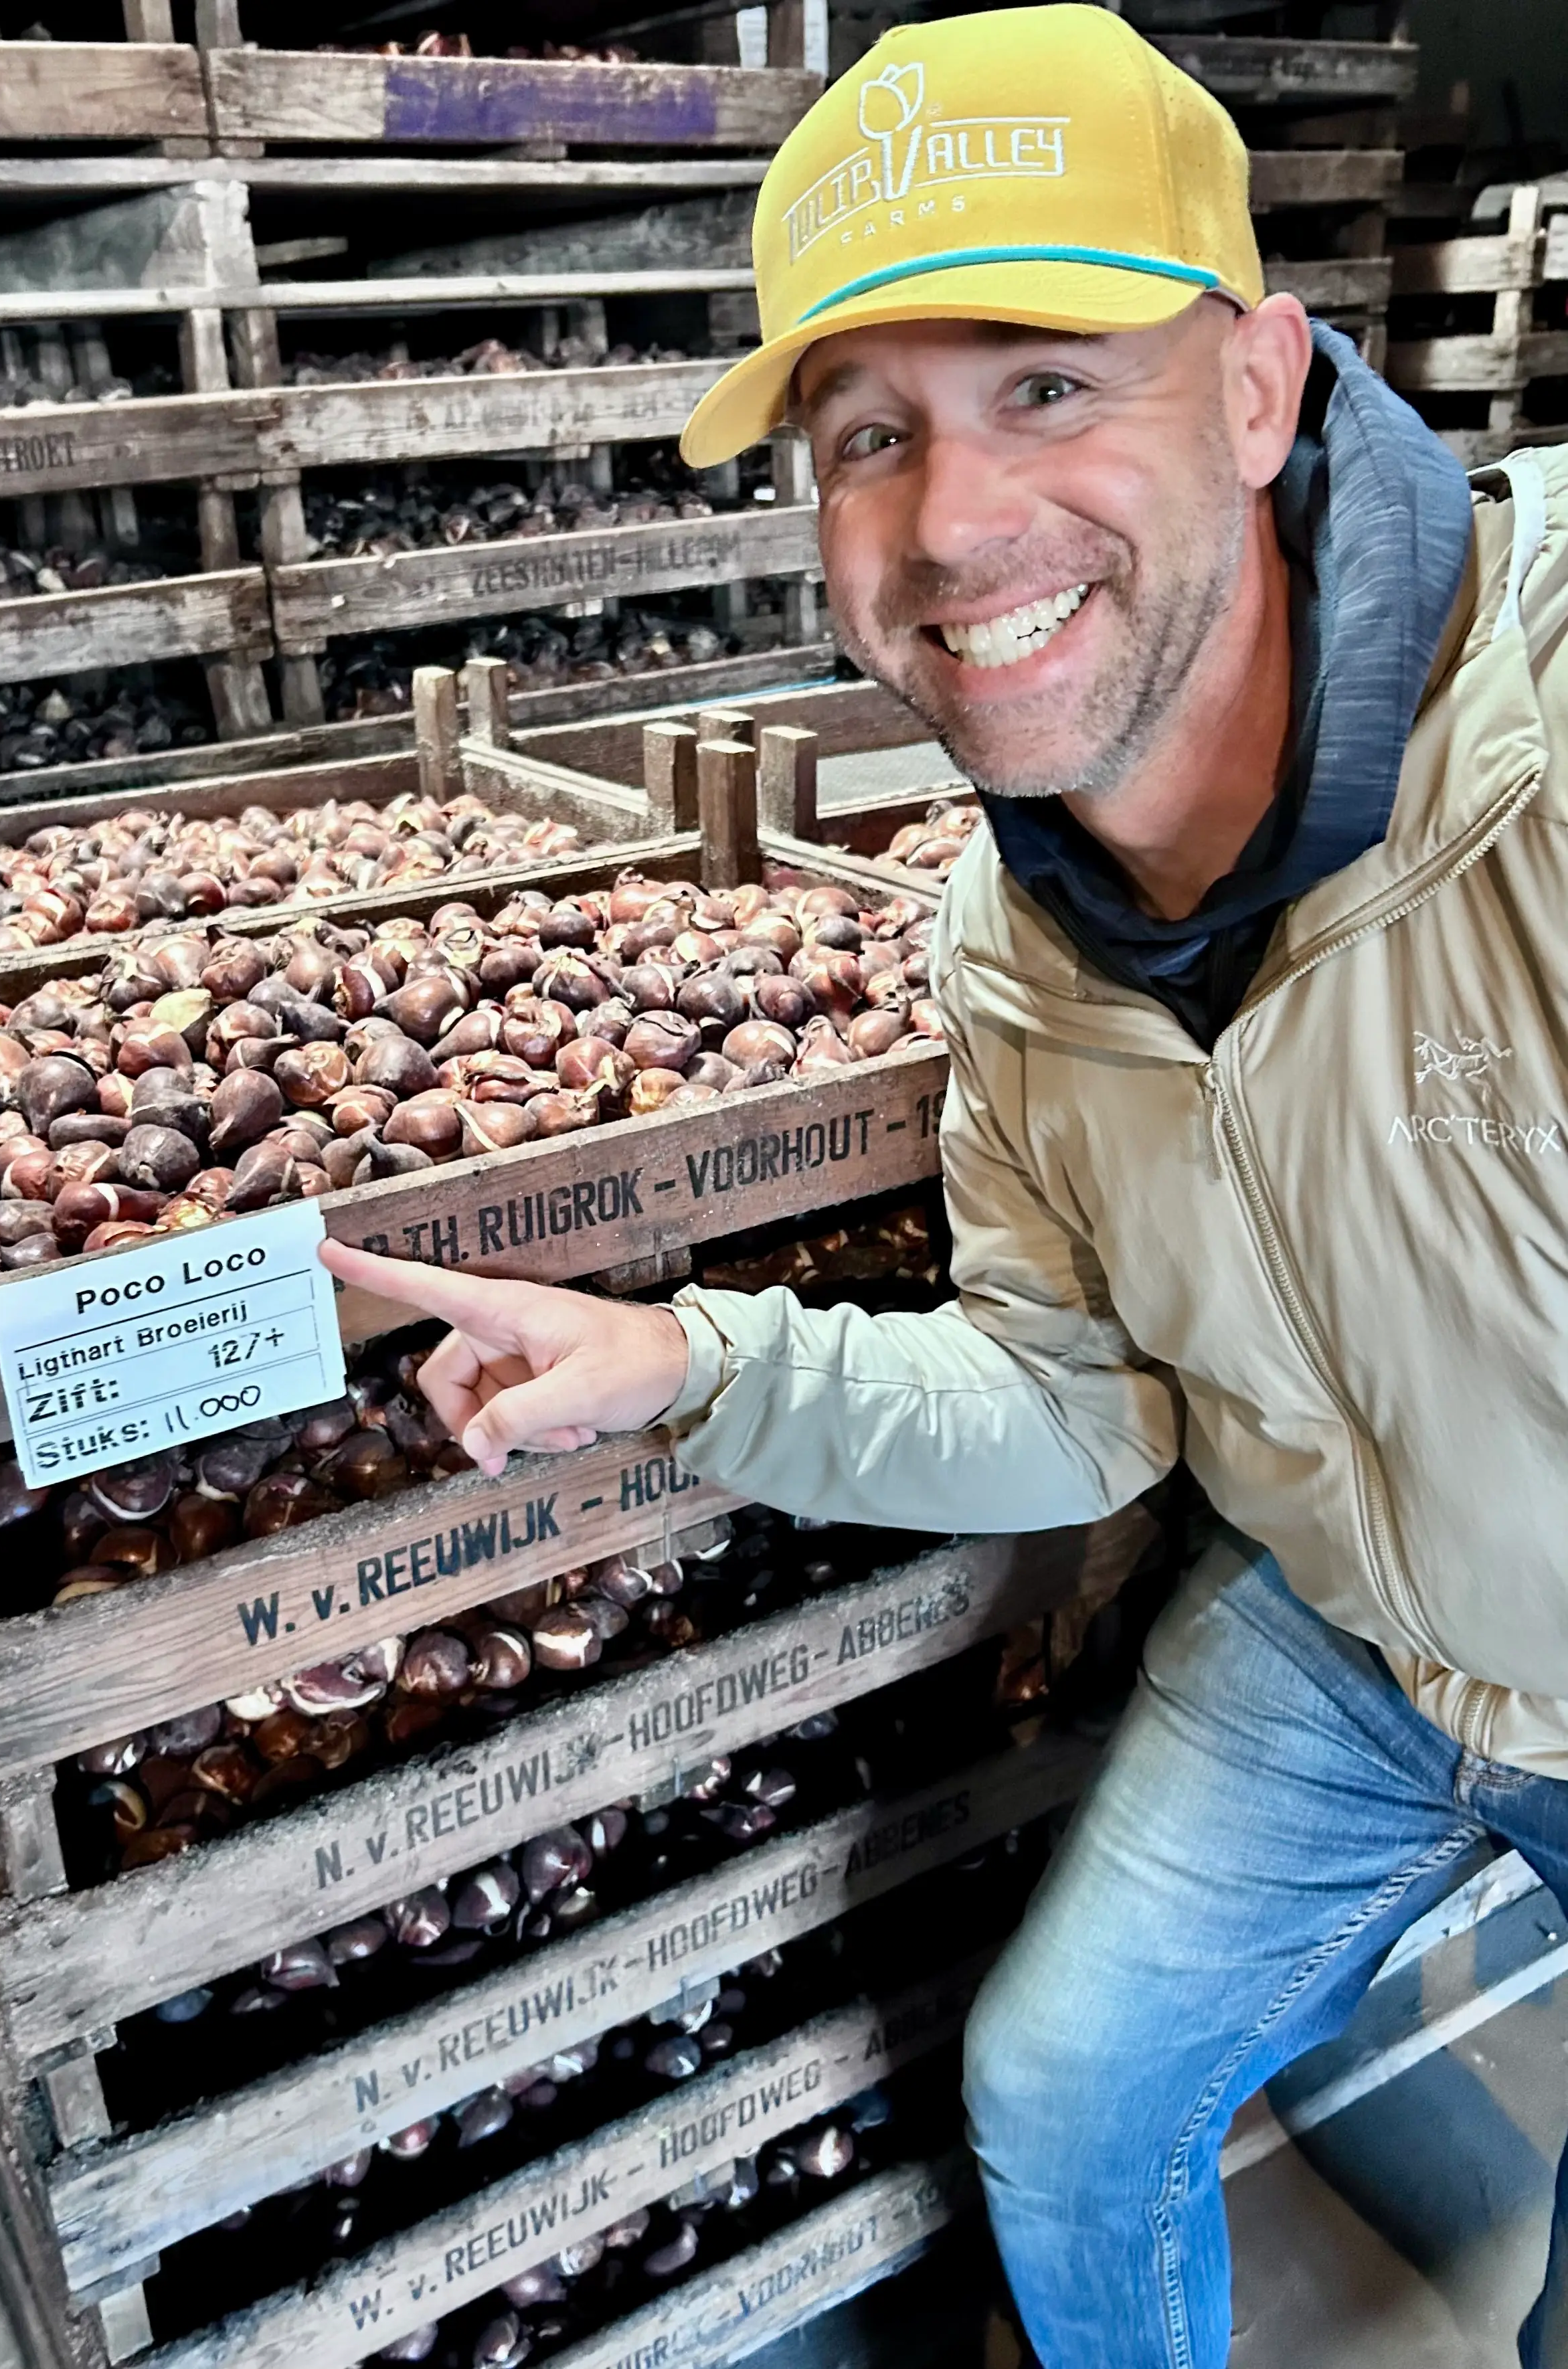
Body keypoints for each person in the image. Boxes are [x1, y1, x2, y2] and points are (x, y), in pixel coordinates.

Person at [323, 9, 1568, 2362]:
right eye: (866, 435)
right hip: (1362, 1637)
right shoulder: (1009, 935)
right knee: (1062, 2092)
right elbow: (1070, 1397)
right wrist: (687, 1362)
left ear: (1258, 387)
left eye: (1044, 384)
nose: (952, 524)